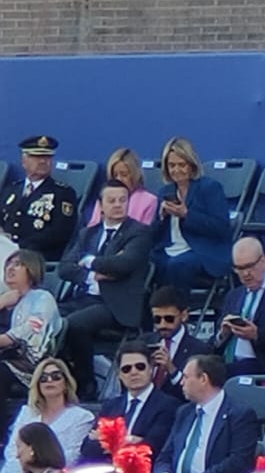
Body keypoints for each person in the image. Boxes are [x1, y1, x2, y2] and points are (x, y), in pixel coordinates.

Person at [56, 180, 153, 387]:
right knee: (48, 318)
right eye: (112, 200)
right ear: (101, 205)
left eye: (122, 200)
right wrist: (92, 275)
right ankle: (61, 377)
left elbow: (123, 264)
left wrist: (89, 261)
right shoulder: (88, 233)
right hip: (84, 297)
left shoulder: (139, 232)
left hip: (115, 304)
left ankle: (86, 384)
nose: (118, 205)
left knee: (75, 324)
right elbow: (64, 267)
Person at [159, 354, 259, 473]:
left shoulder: (239, 414)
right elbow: (166, 455)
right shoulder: (184, 412)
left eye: (186, 377)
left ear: (203, 379)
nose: (182, 382)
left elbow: (238, 462)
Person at [207, 237, 265, 379]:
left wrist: (257, 334)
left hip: (261, 364)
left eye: (249, 267)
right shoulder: (234, 295)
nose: (245, 274)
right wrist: (222, 335)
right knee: (196, 366)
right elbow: (215, 343)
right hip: (226, 362)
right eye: (239, 268)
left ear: (263, 261)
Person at [149, 135, 231, 291]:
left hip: (201, 251)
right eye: (172, 165)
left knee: (177, 265)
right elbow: (154, 236)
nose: (176, 170)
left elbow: (221, 228)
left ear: (192, 165)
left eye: (181, 165)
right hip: (169, 249)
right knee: (139, 262)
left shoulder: (210, 188)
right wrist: (161, 218)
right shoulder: (165, 192)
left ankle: (179, 311)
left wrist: (187, 215)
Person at [0, 358, 93, 473]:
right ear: (37, 385)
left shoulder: (82, 417)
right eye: (43, 378)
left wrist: (34, 464)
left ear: (66, 383)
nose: (49, 381)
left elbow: (70, 457)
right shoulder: (27, 413)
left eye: (56, 376)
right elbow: (12, 452)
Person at [90, 339, 178, 454]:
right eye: (126, 369)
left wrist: (107, 438)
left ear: (151, 369)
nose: (134, 372)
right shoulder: (110, 406)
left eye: (140, 367)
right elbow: (88, 447)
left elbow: (153, 446)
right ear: (119, 375)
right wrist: (131, 440)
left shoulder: (168, 406)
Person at [0, 249, 60, 414]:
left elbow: (30, 330)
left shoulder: (42, 298)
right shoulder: (3, 298)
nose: (10, 268)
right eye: (8, 264)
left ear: (32, 269)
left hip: (26, 364)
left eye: (18, 264)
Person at [2, 134, 79, 261]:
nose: (43, 161)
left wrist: (19, 247)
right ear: (24, 161)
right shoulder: (11, 190)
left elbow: (60, 233)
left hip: (36, 258)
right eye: (36, 157)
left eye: (47, 157)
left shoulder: (62, 193)